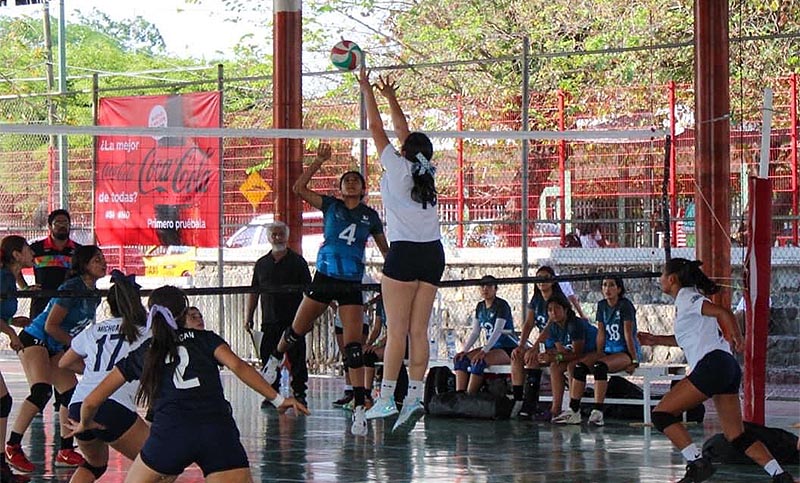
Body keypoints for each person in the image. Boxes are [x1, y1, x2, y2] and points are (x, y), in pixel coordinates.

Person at [67, 285, 309, 483]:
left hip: (171, 434)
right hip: (217, 432)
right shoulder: (206, 340)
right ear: (184, 314)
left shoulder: (146, 351)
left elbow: (91, 401)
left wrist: (85, 424)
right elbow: (239, 367)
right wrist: (278, 399)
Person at [261, 142, 389, 436]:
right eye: (346, 180)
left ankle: (359, 408)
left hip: (351, 282)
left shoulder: (370, 216)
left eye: (356, 180)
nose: (351, 182)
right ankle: (275, 359)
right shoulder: (331, 206)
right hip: (325, 276)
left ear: (363, 189)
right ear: (340, 188)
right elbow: (298, 188)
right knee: (296, 331)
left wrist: (395, 277)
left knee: (353, 349)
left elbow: (386, 252)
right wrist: (318, 161)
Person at [638, 258, 793, 483]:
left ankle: (697, 463)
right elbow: (688, 339)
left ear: (671, 279)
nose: (659, 278)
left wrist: (736, 336)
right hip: (726, 367)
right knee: (736, 435)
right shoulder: (686, 302)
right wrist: (656, 340)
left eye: (662, 274)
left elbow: (723, 313)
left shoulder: (688, 298)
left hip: (713, 365)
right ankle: (779, 474)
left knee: (661, 414)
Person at [357, 68, 445, 432]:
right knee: (418, 332)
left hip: (405, 253)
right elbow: (403, 132)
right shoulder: (427, 172)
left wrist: (367, 90)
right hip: (433, 254)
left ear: (404, 151)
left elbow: (378, 128)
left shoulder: (396, 167)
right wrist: (392, 96)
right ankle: (414, 399)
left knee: (396, 332)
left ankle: (385, 399)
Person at [6, 245, 106, 473]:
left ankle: (65, 450)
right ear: (84, 265)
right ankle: (13, 445)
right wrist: (77, 347)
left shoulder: (94, 295)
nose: (103, 263)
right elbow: (51, 326)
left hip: (56, 345)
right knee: (41, 391)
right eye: (97, 259)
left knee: (70, 394)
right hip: (36, 338)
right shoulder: (71, 288)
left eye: (102, 258)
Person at [58, 270, 150, 483]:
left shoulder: (95, 330)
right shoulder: (146, 332)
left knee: (94, 465)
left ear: (110, 305)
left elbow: (64, 362)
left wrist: (92, 372)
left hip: (78, 406)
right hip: (112, 406)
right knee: (160, 466)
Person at [245, 221, 312, 407]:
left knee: (297, 358)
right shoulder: (261, 264)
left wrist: (309, 318)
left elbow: (309, 292)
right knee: (269, 358)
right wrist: (248, 317)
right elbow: (254, 292)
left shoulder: (298, 262)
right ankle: (272, 394)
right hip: (269, 320)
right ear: (268, 238)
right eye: (274, 234)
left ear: (287, 236)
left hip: (294, 321)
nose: (277, 238)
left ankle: (299, 393)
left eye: (281, 234)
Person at [558, 276, 640, 426]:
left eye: (611, 285)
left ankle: (598, 412)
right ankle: (574, 410)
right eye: (604, 285)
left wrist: (634, 360)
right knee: (579, 367)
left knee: (600, 367)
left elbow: (628, 334)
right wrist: (599, 352)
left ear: (619, 289)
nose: (607, 289)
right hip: (607, 351)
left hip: (625, 352)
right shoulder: (602, 305)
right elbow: (601, 333)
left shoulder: (625, 306)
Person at [510, 266, 567, 420]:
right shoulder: (536, 300)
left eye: (545, 277)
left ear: (552, 280)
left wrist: (534, 348)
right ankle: (518, 400)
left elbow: (549, 327)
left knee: (533, 358)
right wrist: (521, 345)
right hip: (542, 344)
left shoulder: (557, 300)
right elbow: (529, 323)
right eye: (538, 277)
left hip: (557, 343)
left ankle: (531, 405)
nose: (541, 281)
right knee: (517, 356)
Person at [0, 236, 32, 482]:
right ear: (16, 255)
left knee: (3, 401)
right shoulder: (3, 278)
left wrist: (11, 322)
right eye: (28, 249)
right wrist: (11, 333)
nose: (32, 253)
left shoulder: (10, 279)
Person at [453, 275, 517, 394]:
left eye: (489, 286)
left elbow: (497, 330)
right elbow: (475, 332)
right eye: (482, 286)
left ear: (495, 288)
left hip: (506, 348)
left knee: (479, 362)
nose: (485, 289)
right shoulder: (480, 306)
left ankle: (470, 396)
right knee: (461, 360)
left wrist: (484, 351)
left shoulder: (502, 305)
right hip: (491, 347)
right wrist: (464, 350)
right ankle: (459, 395)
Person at [540, 294, 598, 423]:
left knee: (572, 366)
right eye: (550, 310)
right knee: (555, 366)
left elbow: (577, 353)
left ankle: (574, 409)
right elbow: (562, 351)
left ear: (565, 309)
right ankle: (555, 409)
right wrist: (549, 357)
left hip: (595, 351)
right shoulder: (554, 327)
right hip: (579, 354)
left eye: (557, 308)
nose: (553, 312)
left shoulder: (575, 324)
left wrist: (556, 356)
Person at [20, 209, 81, 319]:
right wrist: (25, 287)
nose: (62, 225)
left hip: (70, 306)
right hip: (41, 306)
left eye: (65, 222)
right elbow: (14, 265)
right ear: (49, 226)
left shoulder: (79, 250)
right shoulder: (36, 249)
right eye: (58, 223)